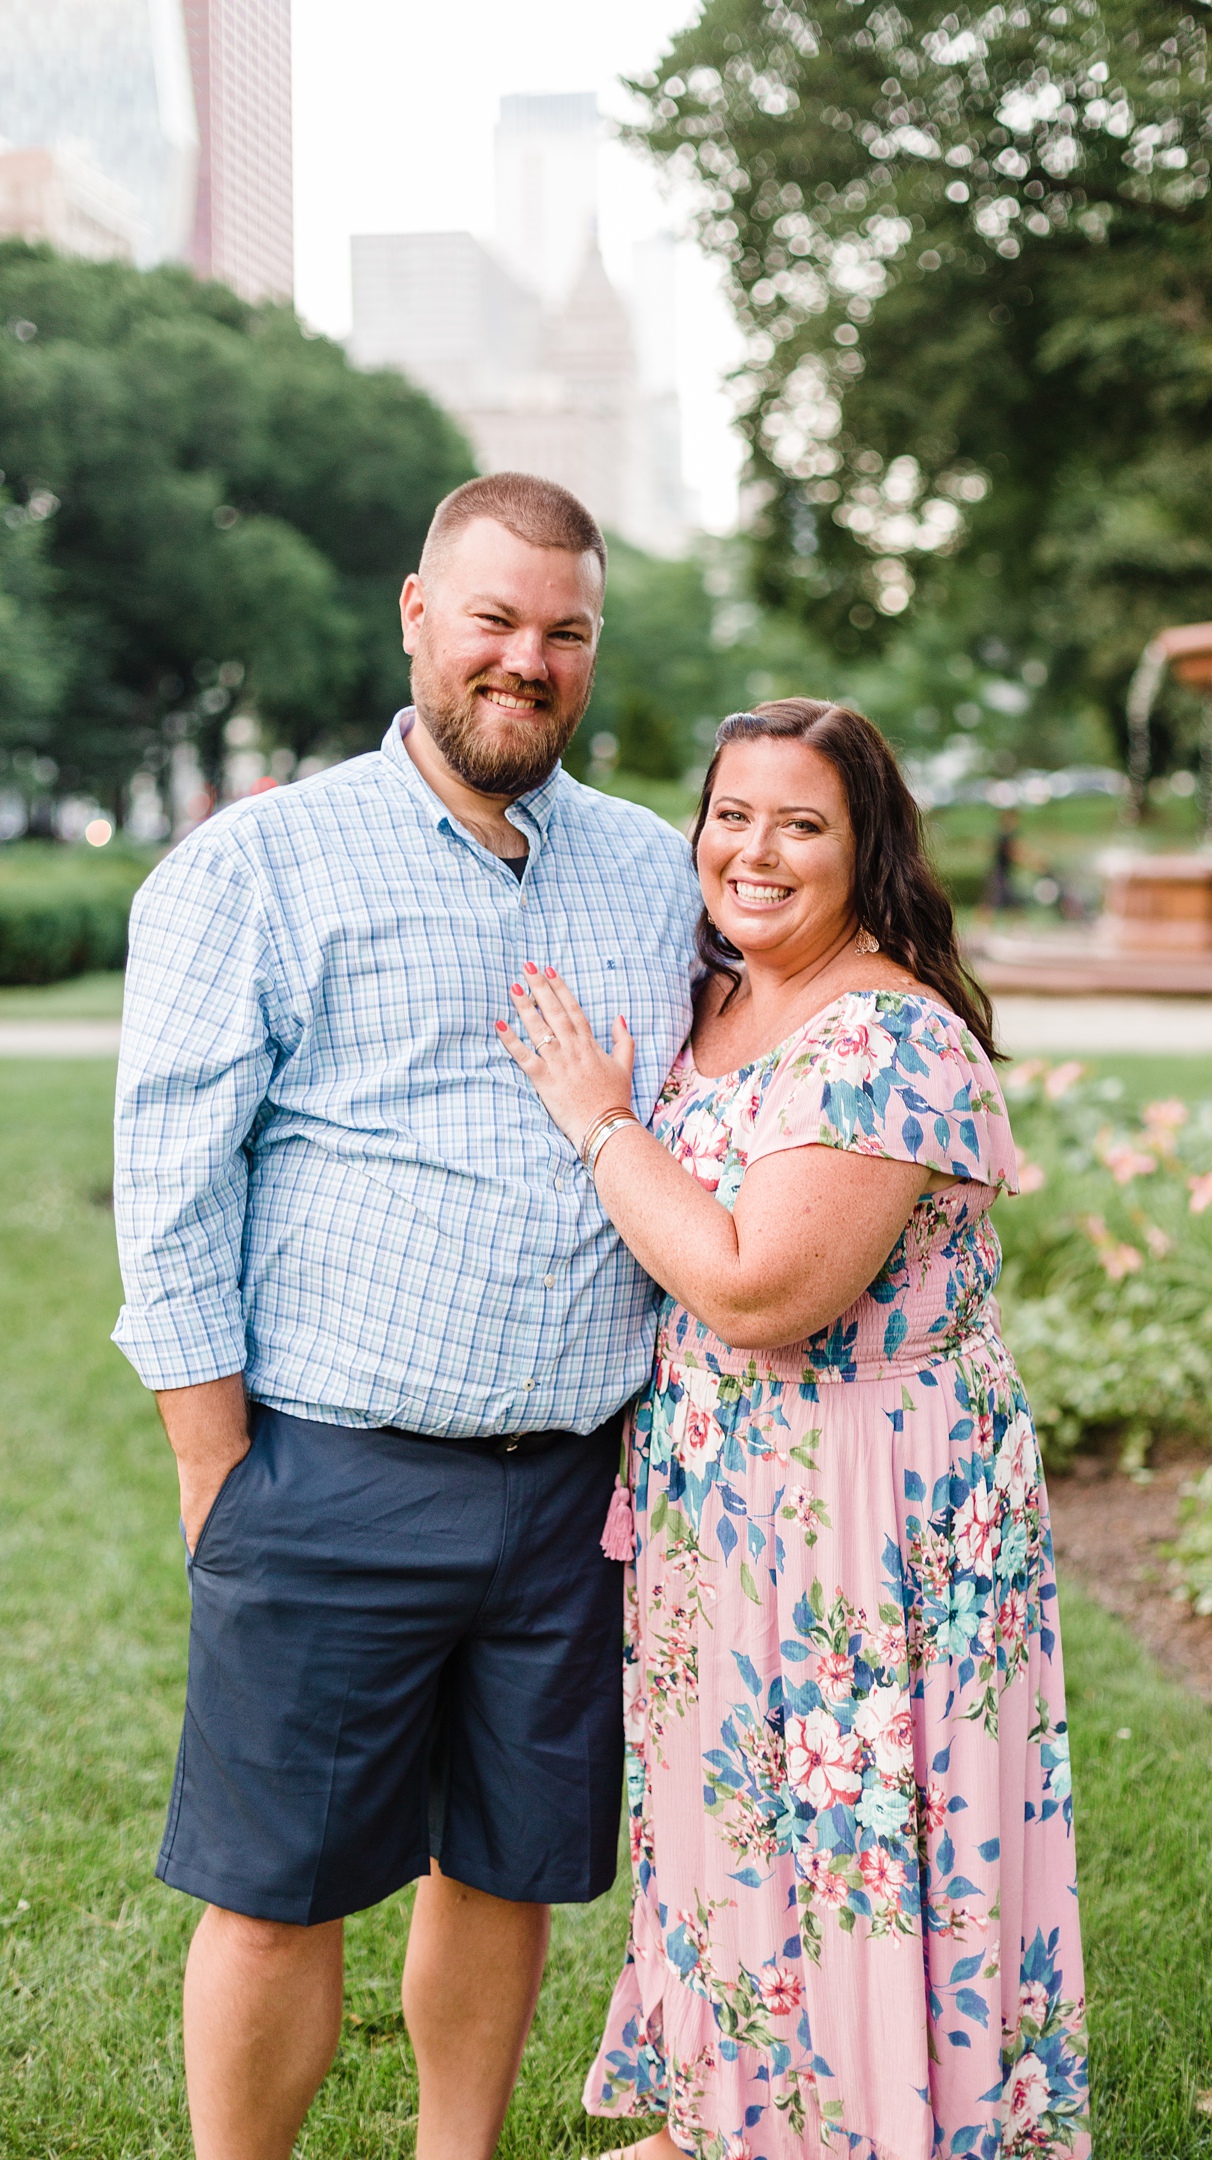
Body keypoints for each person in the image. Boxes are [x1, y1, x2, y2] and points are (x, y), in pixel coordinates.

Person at [113, 472, 701, 2160]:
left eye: (567, 631)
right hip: (333, 1473)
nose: (529, 659)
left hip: (574, 1490)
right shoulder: (260, 864)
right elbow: (172, 1185)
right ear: (419, 616)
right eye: (496, 619)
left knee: (504, 1870)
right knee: (274, 1890)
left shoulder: (653, 870)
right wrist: (217, 1467)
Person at [498, 699, 1089, 2158]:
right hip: (729, 1499)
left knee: (854, 1827)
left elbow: (760, 1290)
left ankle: (871, 2127)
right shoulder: (722, 996)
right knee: (736, 1813)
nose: (754, 852)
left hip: (870, 1506)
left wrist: (598, 1121)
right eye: (733, 815)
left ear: (865, 847)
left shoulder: (887, 1036)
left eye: (802, 824)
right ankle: (735, 2114)